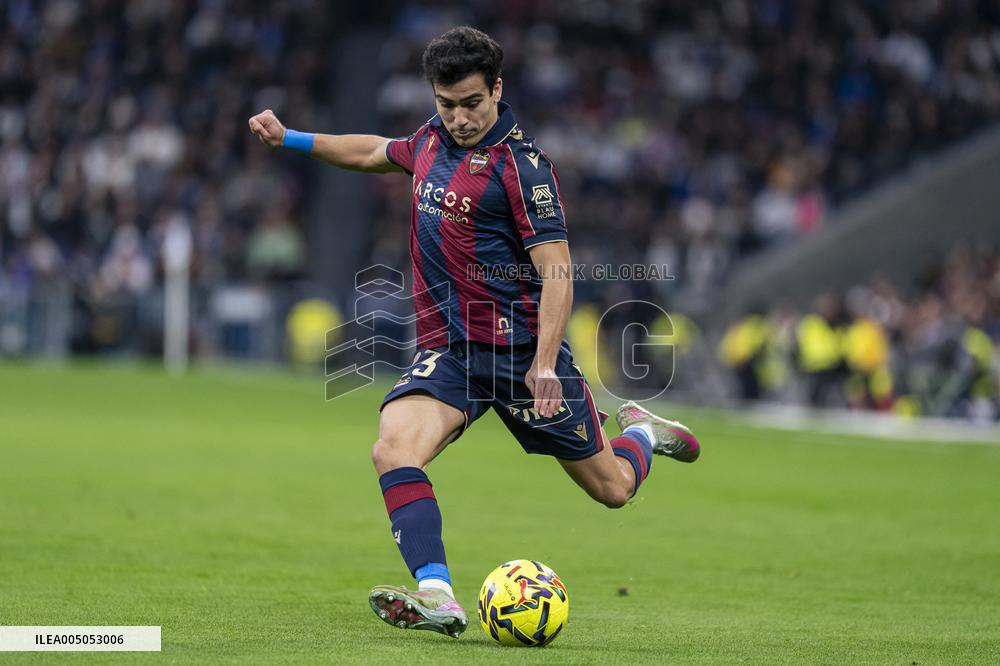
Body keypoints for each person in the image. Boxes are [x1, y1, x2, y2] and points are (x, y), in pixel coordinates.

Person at [249, 26, 701, 639]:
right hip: (453, 354)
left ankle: (643, 432)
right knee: (393, 448)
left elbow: (559, 273)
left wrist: (544, 363)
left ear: (497, 89)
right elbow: (370, 152)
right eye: (446, 104)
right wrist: (292, 138)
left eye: (471, 103)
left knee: (614, 490)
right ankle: (437, 593)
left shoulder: (525, 169)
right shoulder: (431, 141)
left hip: (521, 356)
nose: (459, 118)